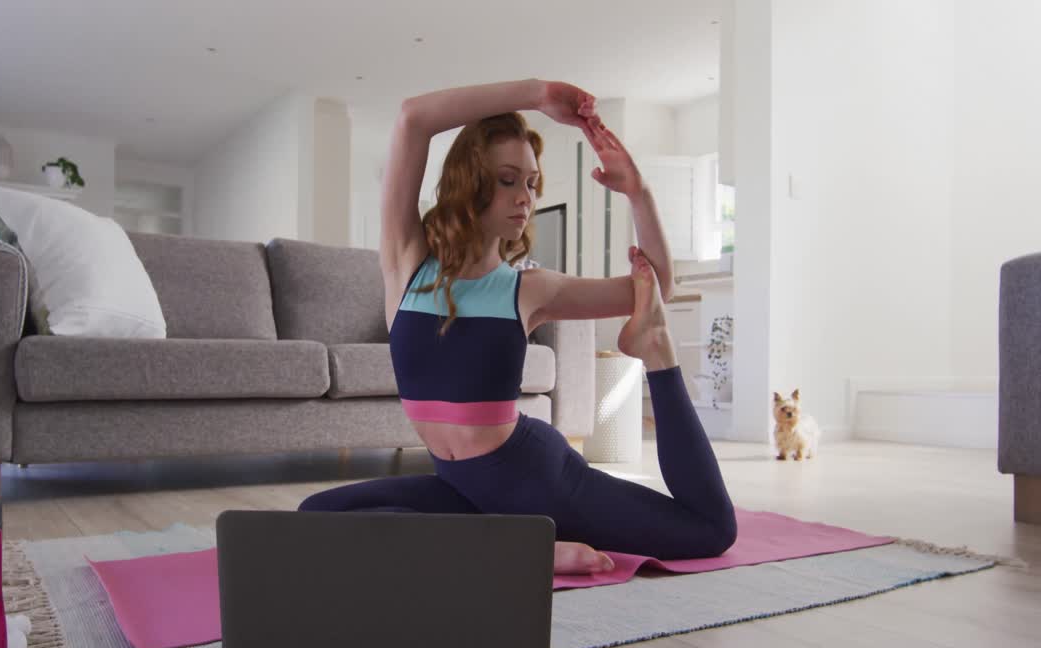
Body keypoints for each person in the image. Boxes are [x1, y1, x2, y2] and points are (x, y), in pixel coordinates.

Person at [300, 79, 736, 575]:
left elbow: (656, 286)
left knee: (709, 530)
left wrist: (638, 192)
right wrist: (536, 95)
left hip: (540, 482)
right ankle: (520, 545)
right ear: (471, 181)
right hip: (464, 486)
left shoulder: (528, 289)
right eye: (508, 179)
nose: (525, 196)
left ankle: (654, 349)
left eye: (531, 183)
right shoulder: (407, 264)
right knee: (318, 514)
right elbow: (412, 118)